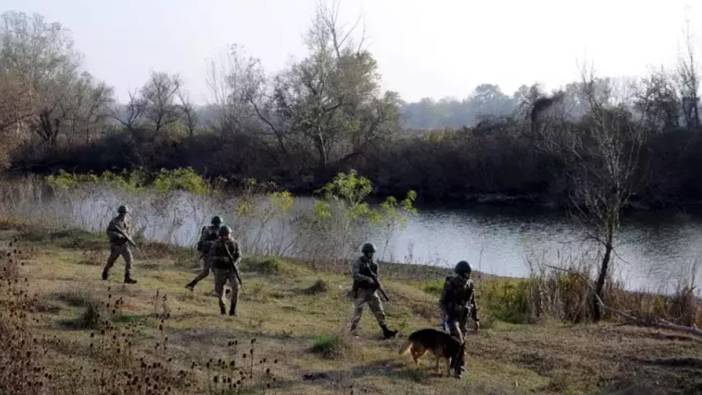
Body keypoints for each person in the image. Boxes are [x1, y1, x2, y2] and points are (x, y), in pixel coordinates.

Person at [439, 260, 480, 378]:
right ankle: (457, 368)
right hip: (452, 317)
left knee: (462, 342)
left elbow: (473, 302)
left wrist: (476, 319)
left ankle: (458, 365)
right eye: (467, 273)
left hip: (463, 318)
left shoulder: (470, 284)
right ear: (462, 273)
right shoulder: (450, 283)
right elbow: (442, 302)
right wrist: (447, 314)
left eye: (470, 273)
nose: (469, 276)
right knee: (458, 340)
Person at [349, 242, 398, 339]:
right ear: (365, 252)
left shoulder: (374, 265)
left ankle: (386, 331)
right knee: (358, 312)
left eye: (372, 252)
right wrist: (367, 278)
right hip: (361, 290)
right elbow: (355, 275)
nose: (372, 254)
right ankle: (352, 331)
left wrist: (378, 285)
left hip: (371, 291)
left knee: (379, 311)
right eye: (370, 252)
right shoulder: (358, 262)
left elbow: (376, 277)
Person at [207, 226, 242, 316]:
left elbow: (239, 255)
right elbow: (210, 257)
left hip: (231, 269)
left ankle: (233, 310)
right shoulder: (216, 244)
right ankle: (223, 308)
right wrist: (221, 259)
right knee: (219, 291)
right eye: (223, 235)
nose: (226, 237)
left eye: (227, 235)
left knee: (236, 287)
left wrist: (234, 262)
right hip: (220, 269)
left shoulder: (234, 243)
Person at [185, 216, 224, 291]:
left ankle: (192, 284)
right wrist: (213, 243)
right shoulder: (207, 230)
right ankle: (220, 289)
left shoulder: (220, 231)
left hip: (215, 254)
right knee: (213, 271)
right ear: (214, 223)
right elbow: (202, 242)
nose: (218, 225)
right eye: (217, 223)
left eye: (219, 223)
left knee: (207, 272)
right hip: (207, 253)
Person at [102, 205, 137, 284]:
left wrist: (129, 237)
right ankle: (105, 272)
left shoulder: (128, 221)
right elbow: (109, 231)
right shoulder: (114, 221)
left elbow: (130, 231)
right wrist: (118, 235)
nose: (123, 214)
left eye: (124, 213)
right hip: (116, 245)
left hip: (125, 245)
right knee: (111, 261)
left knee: (130, 260)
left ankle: (127, 277)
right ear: (119, 212)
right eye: (121, 212)